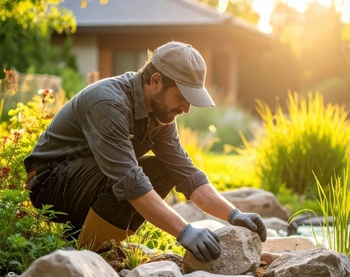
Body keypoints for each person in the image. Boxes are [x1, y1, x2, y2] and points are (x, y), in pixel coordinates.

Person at [24, 41, 267, 262]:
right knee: (130, 178)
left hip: (87, 180)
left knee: (164, 170)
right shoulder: (108, 104)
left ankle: (95, 245)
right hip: (50, 182)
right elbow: (129, 181)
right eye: (182, 97)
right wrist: (185, 231)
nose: (186, 108)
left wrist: (233, 214)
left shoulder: (161, 116)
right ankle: (93, 256)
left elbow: (187, 174)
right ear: (156, 81)